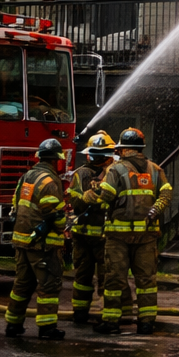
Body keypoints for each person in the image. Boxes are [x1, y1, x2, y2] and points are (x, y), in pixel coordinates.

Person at [97, 127, 172, 335]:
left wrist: (91, 195)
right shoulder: (155, 170)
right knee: (146, 280)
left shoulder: (115, 170)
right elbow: (166, 194)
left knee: (114, 279)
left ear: (123, 149)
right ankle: (146, 323)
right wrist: (155, 209)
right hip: (146, 236)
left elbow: (106, 197)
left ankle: (111, 322)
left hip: (118, 237)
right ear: (140, 149)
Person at [4, 137, 67, 340]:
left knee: (22, 285)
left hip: (22, 240)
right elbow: (52, 213)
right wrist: (64, 225)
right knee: (49, 285)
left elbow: (15, 203)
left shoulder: (27, 176)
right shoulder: (50, 181)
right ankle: (47, 328)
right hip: (42, 245)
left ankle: (13, 325)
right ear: (56, 160)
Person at [67, 130, 115, 326]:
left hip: (100, 236)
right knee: (85, 277)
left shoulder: (113, 173)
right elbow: (76, 203)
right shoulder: (82, 174)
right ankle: (83, 314)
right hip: (89, 236)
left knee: (103, 278)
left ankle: (104, 315)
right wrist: (90, 197)